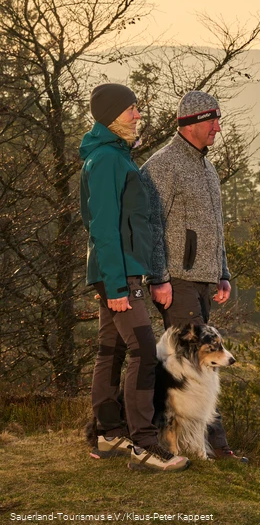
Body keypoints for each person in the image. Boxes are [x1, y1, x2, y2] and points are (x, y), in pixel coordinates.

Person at [80, 83, 190, 472]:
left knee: (110, 351)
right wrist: (115, 283)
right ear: (112, 114)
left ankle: (110, 434)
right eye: (132, 109)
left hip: (118, 270)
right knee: (144, 352)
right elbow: (104, 226)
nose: (139, 114)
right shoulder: (109, 160)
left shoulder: (111, 156)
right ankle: (144, 445)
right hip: (119, 273)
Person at [141, 90, 245, 461]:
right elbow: (150, 226)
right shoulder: (163, 165)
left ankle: (202, 446)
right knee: (198, 361)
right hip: (177, 280)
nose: (218, 127)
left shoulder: (207, 166)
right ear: (193, 123)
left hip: (204, 279)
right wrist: (158, 277)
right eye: (213, 120)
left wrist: (223, 272)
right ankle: (216, 448)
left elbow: (215, 226)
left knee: (203, 363)